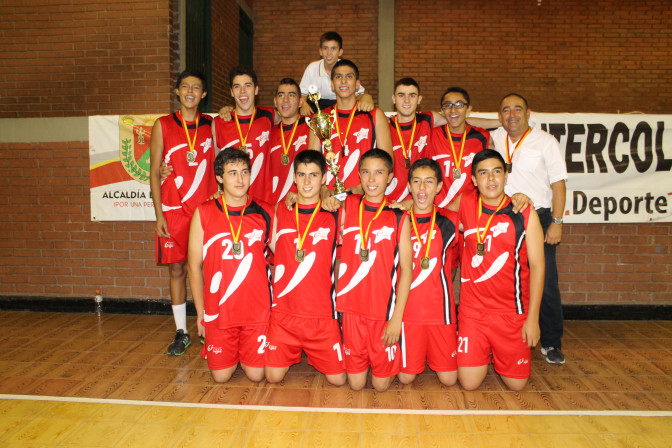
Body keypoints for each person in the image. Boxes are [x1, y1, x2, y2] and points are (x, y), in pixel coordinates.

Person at [456, 149, 544, 391]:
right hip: (473, 314)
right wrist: (403, 204)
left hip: (511, 314)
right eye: (483, 173)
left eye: (496, 171)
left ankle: (497, 351)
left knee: (517, 386)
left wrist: (533, 319)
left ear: (506, 175)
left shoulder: (524, 212)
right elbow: (431, 207)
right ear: (474, 180)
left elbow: (538, 266)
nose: (491, 179)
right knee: (469, 384)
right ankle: (483, 351)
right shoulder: (465, 203)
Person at [490, 93, 568, 365]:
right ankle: (501, 337)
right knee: (502, 278)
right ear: (499, 116)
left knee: (545, 281)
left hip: (540, 217)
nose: (512, 115)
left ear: (528, 112)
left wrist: (556, 223)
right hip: (504, 218)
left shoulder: (546, 142)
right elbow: (468, 119)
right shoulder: (496, 136)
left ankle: (552, 342)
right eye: (505, 110)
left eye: (517, 109)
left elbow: (559, 185)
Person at [187, 148, 274, 383]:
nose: (240, 179)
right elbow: (193, 267)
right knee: (221, 377)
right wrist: (201, 314)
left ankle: (245, 352)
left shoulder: (265, 211)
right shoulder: (204, 213)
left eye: (244, 172)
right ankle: (231, 351)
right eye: (232, 173)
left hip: (256, 310)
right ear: (219, 177)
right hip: (219, 311)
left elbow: (284, 255)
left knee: (256, 375)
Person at [149, 69, 217, 356]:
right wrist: (158, 214)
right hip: (174, 209)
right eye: (185, 87)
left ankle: (209, 325)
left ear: (204, 94)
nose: (190, 91)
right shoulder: (163, 124)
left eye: (196, 87)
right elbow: (154, 172)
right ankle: (181, 331)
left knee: (208, 269)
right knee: (177, 269)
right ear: (177, 91)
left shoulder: (212, 124)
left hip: (205, 210)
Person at [265, 150, 346, 386]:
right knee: (272, 377)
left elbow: (368, 208)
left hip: (321, 316)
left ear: (324, 178)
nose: (307, 181)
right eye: (301, 175)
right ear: (294, 177)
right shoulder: (281, 209)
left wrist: (335, 198)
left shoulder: (335, 212)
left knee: (338, 380)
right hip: (284, 316)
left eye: (314, 175)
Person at [336, 149, 412, 392]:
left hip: (383, 311)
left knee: (380, 386)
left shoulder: (399, 215)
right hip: (352, 309)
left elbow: (407, 269)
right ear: (359, 175)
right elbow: (319, 198)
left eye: (379, 172)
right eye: (366, 172)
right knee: (356, 385)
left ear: (390, 177)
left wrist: (397, 318)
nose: (371, 179)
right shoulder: (347, 204)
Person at [397, 158, 459, 387]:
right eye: (416, 181)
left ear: (439, 186)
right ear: (409, 186)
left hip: (440, 312)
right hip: (408, 312)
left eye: (429, 182)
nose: (422, 188)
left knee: (449, 380)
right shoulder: (397, 219)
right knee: (406, 378)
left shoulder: (451, 220)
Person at [307, 59, 393, 197]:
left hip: (364, 196)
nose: (343, 81)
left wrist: (362, 188)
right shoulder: (320, 118)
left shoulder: (375, 115)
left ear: (357, 84)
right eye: (338, 77)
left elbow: (387, 161)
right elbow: (311, 162)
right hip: (329, 199)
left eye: (349, 76)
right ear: (332, 84)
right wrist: (322, 189)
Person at [212, 66, 275, 204]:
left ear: (256, 89)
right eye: (237, 87)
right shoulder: (219, 123)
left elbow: (292, 116)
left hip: (263, 203)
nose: (242, 91)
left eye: (247, 85)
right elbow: (215, 165)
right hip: (232, 203)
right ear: (231, 92)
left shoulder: (269, 116)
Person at [430, 87, 490, 209]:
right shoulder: (431, 135)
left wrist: (501, 122)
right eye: (448, 105)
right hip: (439, 211)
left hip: (470, 209)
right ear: (442, 110)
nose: (453, 110)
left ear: (468, 108)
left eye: (459, 105)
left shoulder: (482, 137)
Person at [385, 78, 440, 204]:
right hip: (390, 202)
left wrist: (489, 123)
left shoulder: (428, 120)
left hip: (419, 201)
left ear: (419, 99)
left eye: (412, 95)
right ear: (393, 98)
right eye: (401, 95)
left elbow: (459, 121)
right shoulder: (384, 125)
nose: (406, 100)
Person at [299, 31, 373, 114]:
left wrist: (367, 97)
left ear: (340, 52)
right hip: (317, 107)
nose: (329, 53)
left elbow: (360, 93)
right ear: (320, 51)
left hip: (340, 105)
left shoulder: (346, 68)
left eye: (333, 48)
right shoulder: (312, 68)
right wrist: (303, 104)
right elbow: (302, 93)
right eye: (325, 48)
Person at [267, 78, 312, 204]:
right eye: (281, 95)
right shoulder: (267, 134)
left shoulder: (312, 126)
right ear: (275, 102)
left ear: (300, 102)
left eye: (291, 95)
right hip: (274, 205)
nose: (285, 100)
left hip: (303, 202)